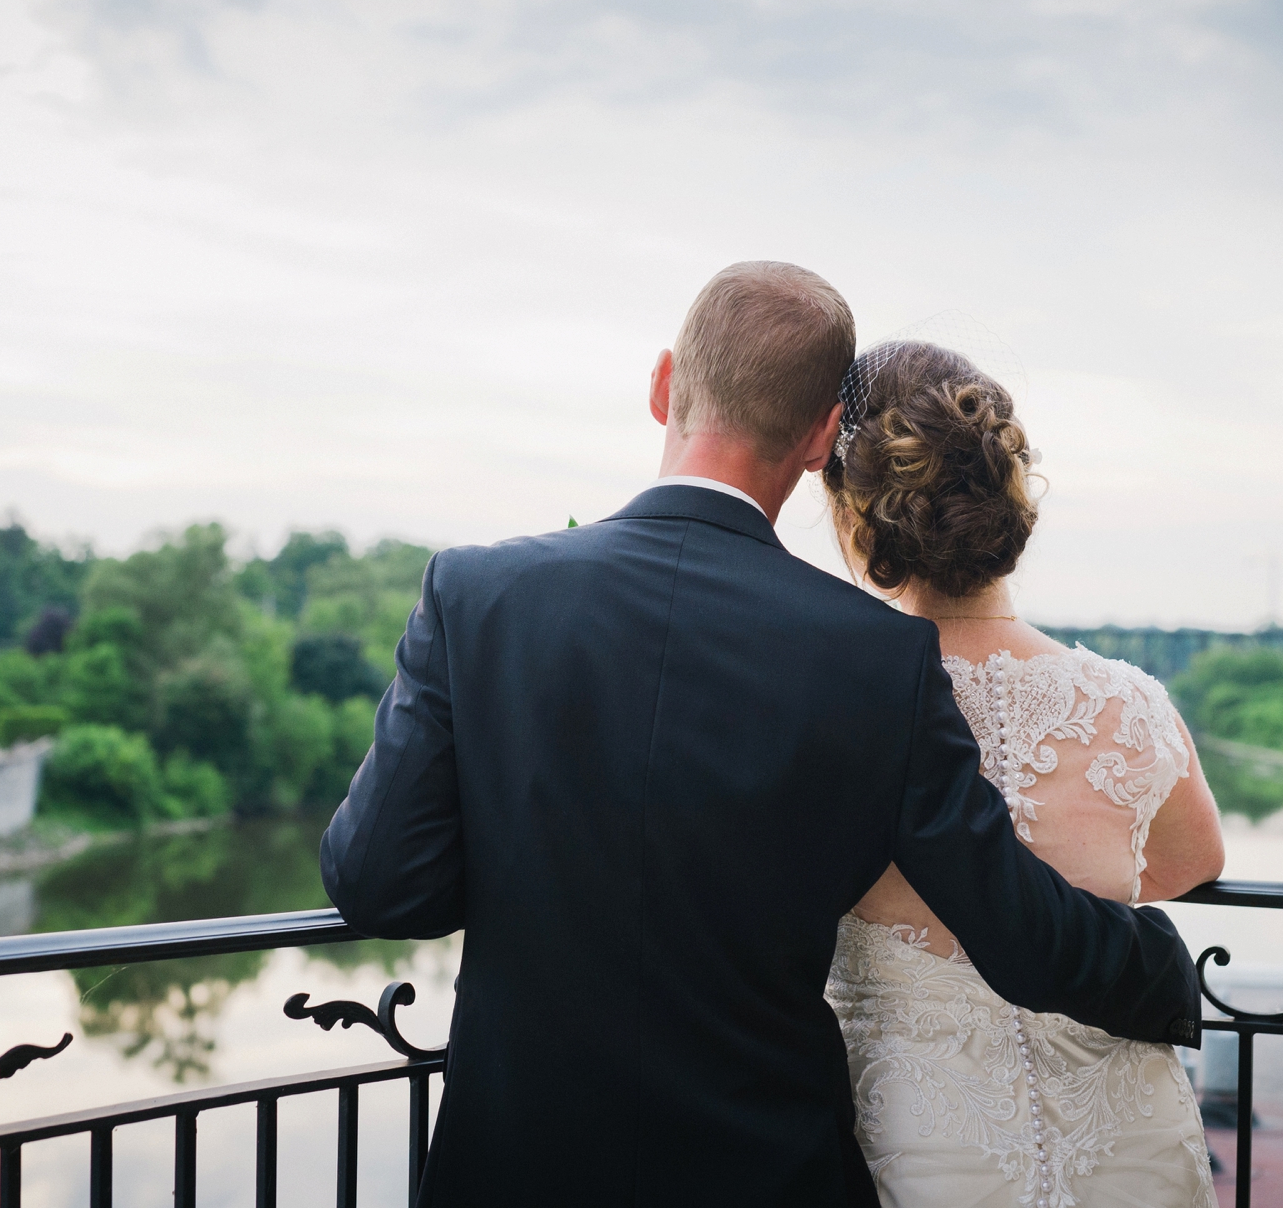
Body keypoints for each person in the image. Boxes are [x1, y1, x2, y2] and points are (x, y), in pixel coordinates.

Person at [319, 262, 1201, 1208]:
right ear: (823, 435)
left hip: (514, 1169)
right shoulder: (878, 656)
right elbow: (1018, 929)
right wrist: (1165, 969)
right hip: (763, 1173)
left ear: (664, 383)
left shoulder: (477, 593)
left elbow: (381, 883)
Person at [822, 339, 1225, 1208]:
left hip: (924, 1146)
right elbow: (1193, 863)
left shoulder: (833, 705)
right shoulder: (1132, 703)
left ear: (860, 512)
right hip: (1127, 1141)